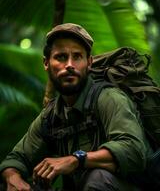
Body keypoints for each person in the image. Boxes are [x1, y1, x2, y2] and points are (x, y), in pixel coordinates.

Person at [0, 23, 153, 191]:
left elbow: (134, 150)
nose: (70, 65)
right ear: (46, 63)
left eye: (78, 56)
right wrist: (12, 176)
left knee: (97, 179)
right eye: (61, 57)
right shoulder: (51, 115)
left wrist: (76, 159)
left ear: (89, 62)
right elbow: (17, 158)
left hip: (130, 186)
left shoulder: (109, 98)